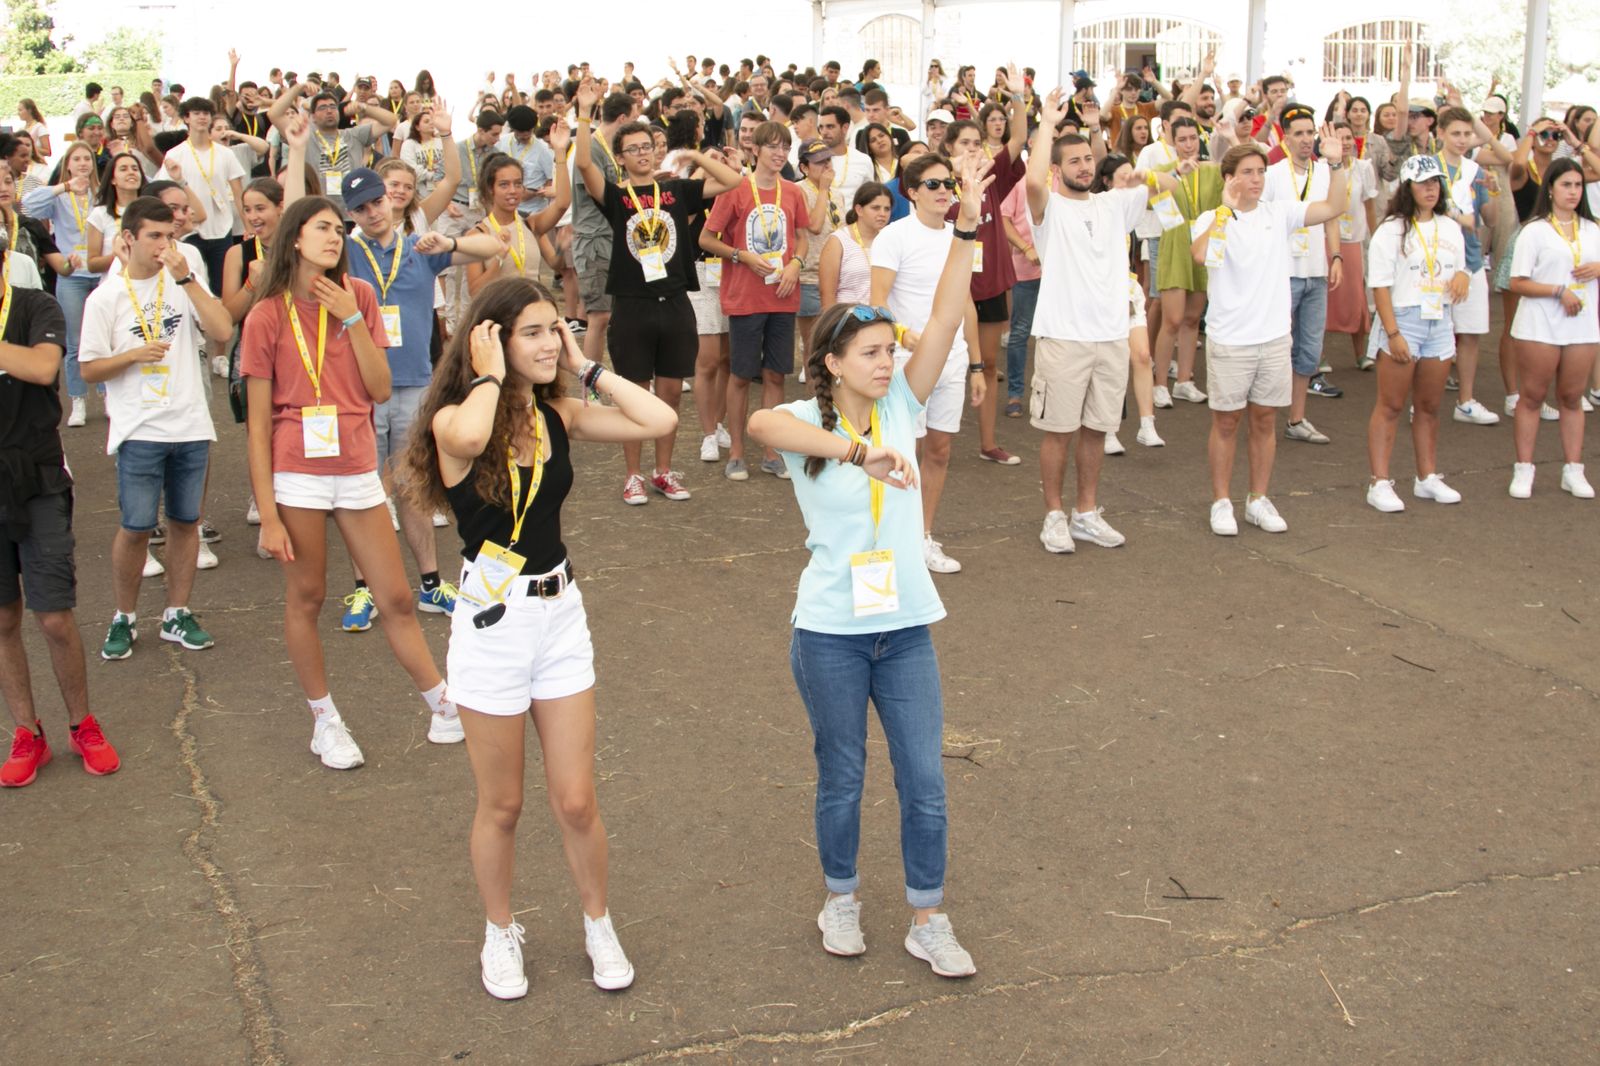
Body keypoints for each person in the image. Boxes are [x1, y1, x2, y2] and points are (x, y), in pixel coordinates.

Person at [745, 151, 991, 981]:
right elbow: (759, 431)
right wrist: (860, 452)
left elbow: (950, 318)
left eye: (891, 349)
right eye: (873, 353)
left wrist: (965, 231)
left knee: (925, 779)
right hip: (831, 633)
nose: (888, 362)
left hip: (906, 629)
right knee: (842, 776)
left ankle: (929, 914)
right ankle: (840, 898)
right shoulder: (804, 417)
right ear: (834, 362)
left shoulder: (903, 404)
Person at [403, 276, 675, 999]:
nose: (549, 341)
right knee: (503, 804)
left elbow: (655, 419)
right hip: (493, 626)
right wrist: (490, 375)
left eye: (554, 327)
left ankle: (597, 923)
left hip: (560, 617)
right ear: (490, 339)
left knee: (578, 799)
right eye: (532, 332)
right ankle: (500, 932)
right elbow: (461, 436)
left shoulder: (561, 416)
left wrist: (586, 365)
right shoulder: (459, 420)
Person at [240, 195, 462, 767]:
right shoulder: (266, 315)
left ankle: (442, 704)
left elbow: (381, 388)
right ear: (294, 239)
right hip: (297, 473)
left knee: (394, 596)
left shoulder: (358, 296)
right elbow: (258, 425)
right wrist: (267, 514)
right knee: (308, 595)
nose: (335, 237)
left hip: (357, 466)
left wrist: (352, 319)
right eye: (322, 229)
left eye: (339, 230)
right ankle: (325, 720)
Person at [338, 168, 506, 629]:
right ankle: (362, 590)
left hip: (414, 383)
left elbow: (494, 247)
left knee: (414, 487)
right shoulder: (346, 253)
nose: (373, 213)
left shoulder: (418, 247)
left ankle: (431, 584)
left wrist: (449, 244)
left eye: (378, 202)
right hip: (361, 390)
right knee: (364, 492)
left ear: (392, 202)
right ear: (350, 214)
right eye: (361, 208)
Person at [1025, 90, 1186, 554]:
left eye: (1086, 159)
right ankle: (1054, 516)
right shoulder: (1049, 210)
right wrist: (1047, 126)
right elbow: (1034, 181)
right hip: (1063, 337)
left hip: (1112, 336)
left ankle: (1086, 513)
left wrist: (1145, 173)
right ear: (1059, 169)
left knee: (1098, 430)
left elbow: (1172, 188)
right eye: (1072, 161)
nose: (1083, 167)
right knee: (1059, 431)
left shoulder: (1115, 203)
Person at [77, 197, 233, 660]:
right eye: (154, 236)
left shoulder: (184, 280)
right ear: (127, 238)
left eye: (170, 235)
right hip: (139, 428)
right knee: (136, 527)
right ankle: (123, 616)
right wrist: (130, 356)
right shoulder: (106, 297)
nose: (165, 245)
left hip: (189, 423)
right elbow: (88, 369)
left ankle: (177, 612)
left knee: (187, 523)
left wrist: (186, 277)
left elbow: (222, 328)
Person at [573, 88, 743, 502]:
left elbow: (734, 180)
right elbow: (582, 163)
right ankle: (633, 475)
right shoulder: (615, 197)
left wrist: (695, 157)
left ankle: (663, 471)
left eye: (648, 146)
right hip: (632, 307)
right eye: (633, 149)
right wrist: (582, 114)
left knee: (668, 396)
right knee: (634, 395)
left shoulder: (676, 191)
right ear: (622, 159)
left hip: (676, 304)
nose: (643, 154)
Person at [0, 247, 122, 787]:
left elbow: (43, 367)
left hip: (39, 479)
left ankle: (82, 723)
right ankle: (27, 732)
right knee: (3, 619)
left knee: (53, 616)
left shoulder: (34, 308)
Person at [1191, 135, 1348, 536]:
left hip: (1275, 337)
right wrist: (1226, 209)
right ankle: (1221, 501)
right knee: (1226, 423)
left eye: (1261, 171)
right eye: (1247, 173)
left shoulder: (1279, 213)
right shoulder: (1213, 218)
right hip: (1230, 340)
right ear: (1229, 178)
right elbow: (1201, 255)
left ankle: (1258, 499)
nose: (1257, 179)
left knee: (1264, 421)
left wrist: (1336, 163)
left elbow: (1334, 206)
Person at [869, 153, 982, 573]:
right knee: (903, 452)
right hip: (906, 361)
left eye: (948, 184)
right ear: (911, 192)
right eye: (932, 185)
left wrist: (976, 364)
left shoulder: (961, 235)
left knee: (939, 449)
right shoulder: (894, 237)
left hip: (952, 361)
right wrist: (900, 336)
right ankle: (891, 538)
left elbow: (966, 303)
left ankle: (922, 537)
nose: (943, 192)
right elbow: (876, 302)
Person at [699, 119, 810, 481]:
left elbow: (802, 237)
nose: (780, 154)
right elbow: (706, 238)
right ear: (755, 150)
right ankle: (736, 453)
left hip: (782, 295)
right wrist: (740, 256)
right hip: (745, 297)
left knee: (776, 375)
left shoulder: (792, 192)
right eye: (773, 147)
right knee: (741, 375)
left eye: (785, 148)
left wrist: (796, 263)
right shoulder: (735, 189)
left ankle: (773, 451)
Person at [1364, 156, 1470, 513]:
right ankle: (1379, 481)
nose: (1431, 188)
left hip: (1439, 320)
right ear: (1408, 187)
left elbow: (1463, 268)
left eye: (1435, 182)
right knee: (1391, 404)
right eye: (1423, 182)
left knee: (1429, 405)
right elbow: (1380, 286)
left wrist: (1463, 277)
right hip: (1403, 318)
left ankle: (1426, 477)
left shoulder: (1449, 227)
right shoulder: (1391, 230)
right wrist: (1392, 333)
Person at [943, 66, 1029, 466]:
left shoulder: (994, 181)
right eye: (965, 143)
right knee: (940, 364)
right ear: (949, 150)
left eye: (978, 143)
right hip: (950, 293)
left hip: (991, 287)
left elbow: (1019, 139)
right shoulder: (938, 190)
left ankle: (988, 442)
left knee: (988, 363)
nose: (974, 149)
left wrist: (1017, 96)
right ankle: (928, 441)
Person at [1505, 158, 1599, 499]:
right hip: (1540, 325)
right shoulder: (1535, 231)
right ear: (1551, 189)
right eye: (1566, 185)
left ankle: (1573, 470)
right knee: (1532, 396)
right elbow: (1517, 282)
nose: (1573, 192)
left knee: (1573, 397)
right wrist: (1557, 291)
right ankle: (1524, 469)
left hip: (1582, 327)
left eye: (1577, 185)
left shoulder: (1592, 230)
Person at [1262, 104, 1344, 451]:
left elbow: (1333, 216)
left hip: (1316, 272)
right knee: (1276, 347)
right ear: (1285, 137)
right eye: (1299, 134)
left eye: (1311, 133)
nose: (1307, 140)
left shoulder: (1326, 172)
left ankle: (1296, 418)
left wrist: (1336, 255)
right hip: (1283, 273)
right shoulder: (1273, 174)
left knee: (1309, 351)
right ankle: (1263, 416)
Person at [22, 143, 103, 427]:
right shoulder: (60, 195)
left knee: (104, 337)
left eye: (87, 159)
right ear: (67, 164)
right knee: (74, 341)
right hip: (71, 275)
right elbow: (29, 204)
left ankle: (107, 395)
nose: (82, 163)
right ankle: (78, 399)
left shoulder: (101, 194)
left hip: (101, 269)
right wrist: (64, 187)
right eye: (76, 159)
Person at [1150, 115, 1220, 417]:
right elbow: (1155, 199)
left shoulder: (1212, 171)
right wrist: (1176, 173)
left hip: (1203, 246)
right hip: (1175, 245)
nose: (1189, 144)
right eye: (1182, 139)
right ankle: (1159, 384)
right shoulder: (1164, 171)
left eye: (1193, 138)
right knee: (1173, 319)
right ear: (1172, 141)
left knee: (1193, 319)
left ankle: (1184, 380)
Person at [166, 97, 247, 292]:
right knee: (194, 285)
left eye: (206, 113)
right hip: (190, 230)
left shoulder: (225, 153)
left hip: (222, 229)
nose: (202, 117)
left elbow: (238, 191)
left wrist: (248, 225)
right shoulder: (175, 154)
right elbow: (166, 193)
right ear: (186, 118)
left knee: (224, 287)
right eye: (196, 113)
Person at [818, 182, 891, 308]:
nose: (882, 214)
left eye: (887, 209)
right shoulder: (838, 241)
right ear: (859, 210)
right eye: (875, 208)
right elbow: (827, 297)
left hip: (884, 319)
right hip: (849, 320)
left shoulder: (890, 240)